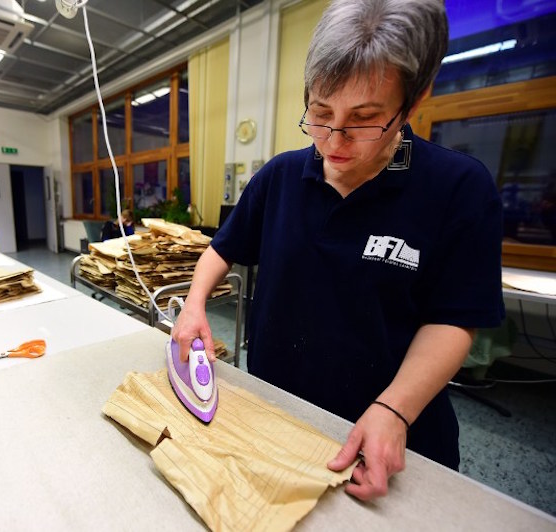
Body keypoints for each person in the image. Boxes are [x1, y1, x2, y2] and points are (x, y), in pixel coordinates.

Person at [173, 0, 504, 502]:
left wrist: (394, 411)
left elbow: (454, 320)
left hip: (392, 436)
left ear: (410, 105)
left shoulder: (457, 187)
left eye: (363, 119)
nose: (333, 139)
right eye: (321, 113)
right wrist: (195, 304)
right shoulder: (280, 177)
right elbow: (222, 250)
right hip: (277, 414)